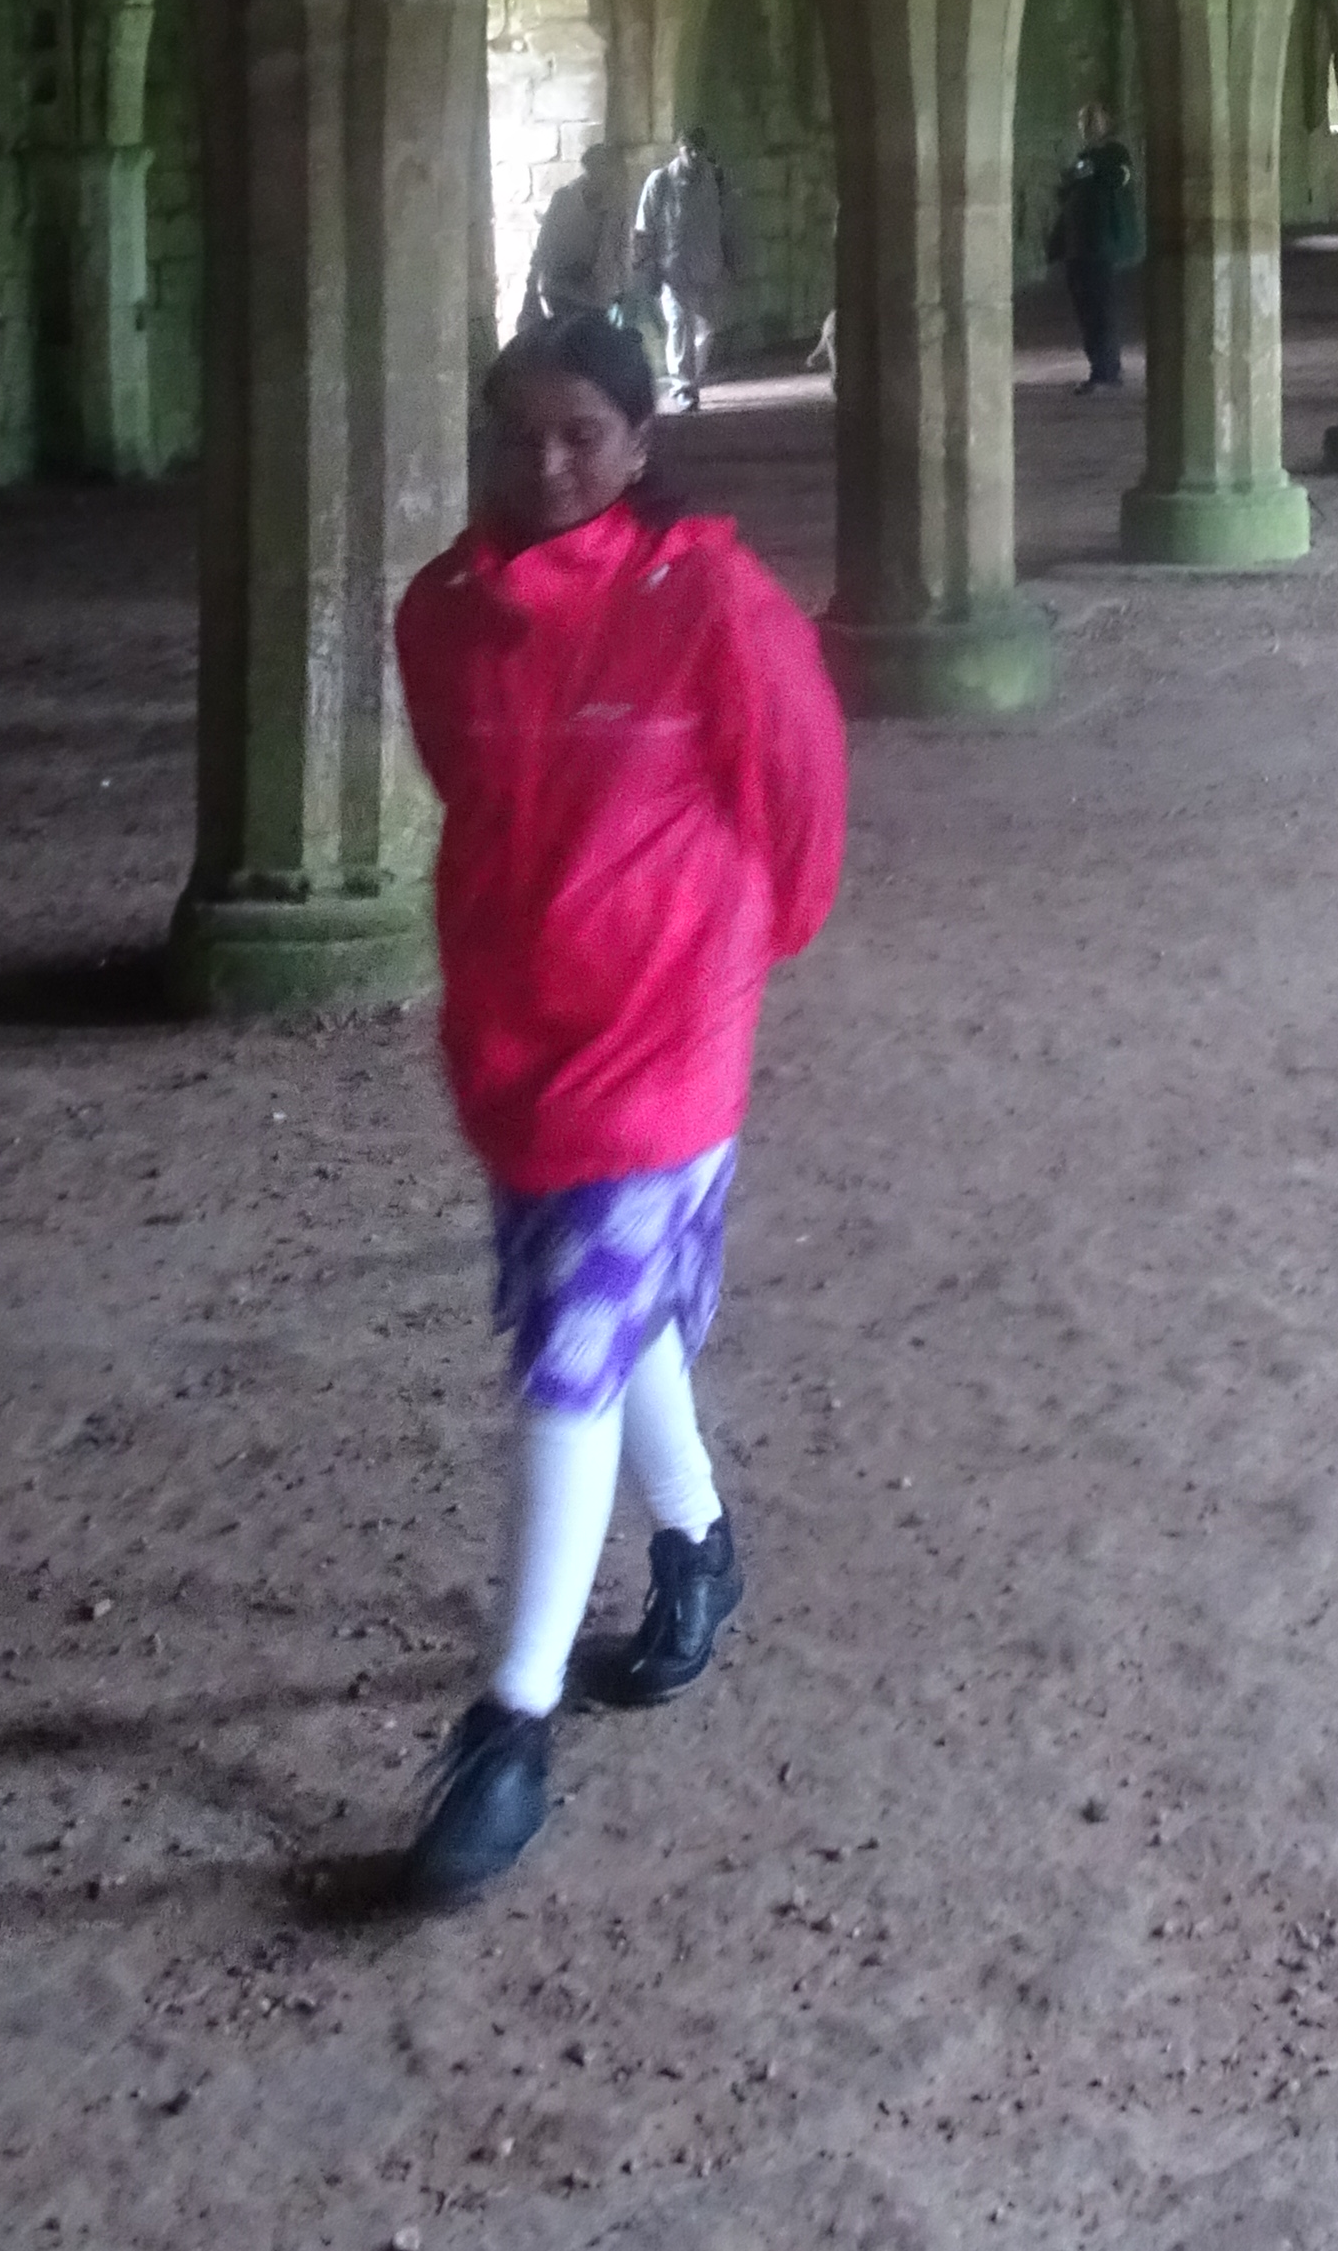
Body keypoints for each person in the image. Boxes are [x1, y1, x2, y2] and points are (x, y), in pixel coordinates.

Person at [389, 310, 847, 1908]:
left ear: (641, 442)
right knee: (611, 1308)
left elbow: (801, 798)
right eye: (519, 433)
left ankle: (510, 1729)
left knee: (568, 1354)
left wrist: (721, 953)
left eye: (582, 432)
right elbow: (472, 789)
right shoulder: (444, 614)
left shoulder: (709, 600)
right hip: (515, 1030)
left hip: (661, 1035)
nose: (548, 462)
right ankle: (698, 1544)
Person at [628, 124, 742, 411]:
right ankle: (684, 387)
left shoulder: (716, 179)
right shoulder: (661, 181)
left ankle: (691, 376)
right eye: (688, 149)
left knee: (707, 328)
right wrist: (646, 266)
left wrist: (732, 261)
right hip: (674, 271)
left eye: (698, 150)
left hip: (708, 268)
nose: (693, 155)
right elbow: (644, 228)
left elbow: (728, 223)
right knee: (680, 326)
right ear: (679, 149)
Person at [1046, 99, 1143, 390]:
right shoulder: (1084, 157)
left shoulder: (1115, 154)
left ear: (1106, 122)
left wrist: (1090, 169)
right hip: (1077, 246)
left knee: (1101, 309)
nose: (1086, 126)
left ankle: (1106, 372)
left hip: (1099, 246)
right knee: (1086, 310)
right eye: (1083, 120)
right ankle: (1099, 367)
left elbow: (1117, 178)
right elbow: (1066, 190)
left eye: (1093, 119)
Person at [515, 142, 625, 342]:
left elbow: (622, 247)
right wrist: (533, 279)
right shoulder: (564, 199)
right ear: (589, 168)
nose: (607, 176)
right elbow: (545, 242)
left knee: (591, 345)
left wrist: (623, 287)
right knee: (564, 342)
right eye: (600, 168)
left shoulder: (618, 206)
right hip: (563, 289)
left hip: (597, 292)